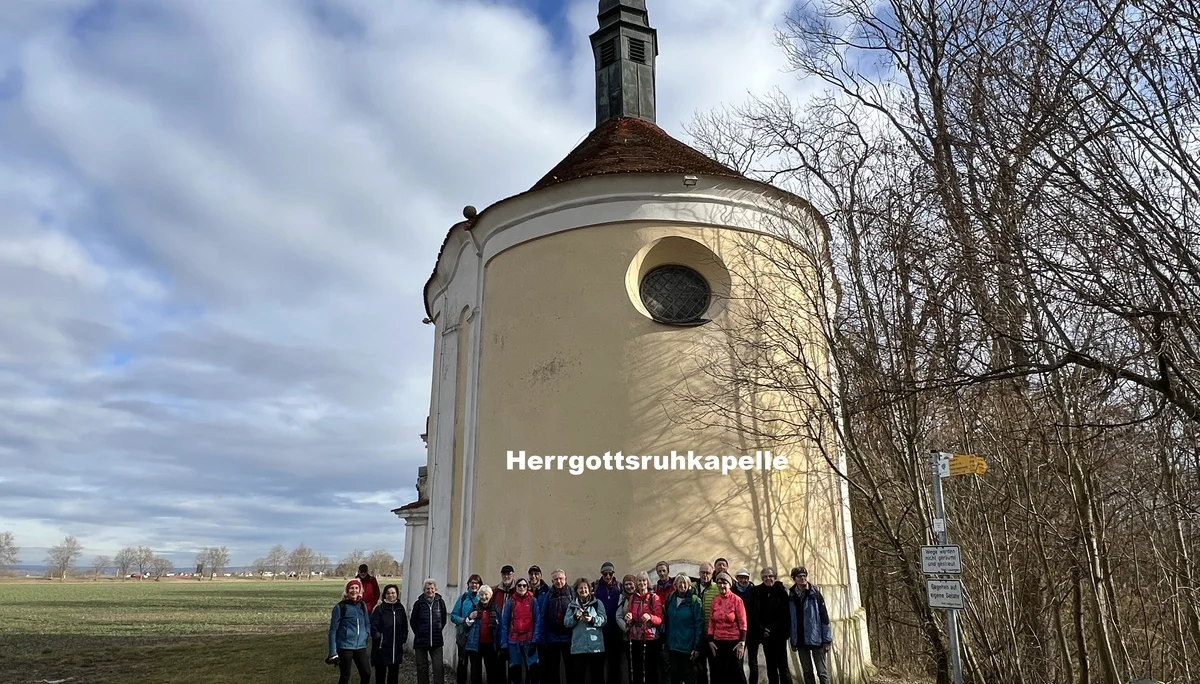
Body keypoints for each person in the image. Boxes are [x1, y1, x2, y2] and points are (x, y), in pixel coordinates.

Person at [788, 567, 832, 684]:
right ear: (794, 579)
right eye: (799, 576)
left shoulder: (815, 594)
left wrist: (827, 640)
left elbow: (825, 618)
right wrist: (793, 640)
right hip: (801, 640)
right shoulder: (791, 596)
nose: (803, 578)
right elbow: (791, 620)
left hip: (816, 638)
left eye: (804, 576)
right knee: (807, 671)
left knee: (822, 672)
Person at [619, 571, 663, 684]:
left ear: (647, 582)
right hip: (635, 637)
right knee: (636, 668)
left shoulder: (654, 598)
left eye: (644, 580)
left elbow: (659, 619)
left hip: (650, 638)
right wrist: (629, 618)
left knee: (650, 669)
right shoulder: (633, 598)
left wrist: (650, 617)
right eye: (639, 580)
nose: (642, 583)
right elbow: (630, 616)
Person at [328, 578, 372, 684]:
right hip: (345, 646)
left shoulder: (362, 606)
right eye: (351, 588)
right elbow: (333, 630)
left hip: (360, 646)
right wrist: (333, 652)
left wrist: (366, 634)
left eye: (357, 588)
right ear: (347, 590)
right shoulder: (340, 607)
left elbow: (367, 623)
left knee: (366, 673)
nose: (354, 590)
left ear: (360, 590)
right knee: (345, 675)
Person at [706, 572, 747, 684]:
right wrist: (710, 640)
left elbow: (743, 622)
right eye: (719, 583)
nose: (721, 586)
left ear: (729, 584)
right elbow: (711, 621)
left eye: (724, 583)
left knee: (737, 673)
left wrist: (742, 642)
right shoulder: (715, 600)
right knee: (720, 673)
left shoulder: (737, 600)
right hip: (718, 642)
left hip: (734, 642)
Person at [661, 573, 702, 684]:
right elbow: (666, 621)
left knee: (688, 676)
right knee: (674, 676)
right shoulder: (670, 598)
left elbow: (699, 624)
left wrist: (697, 646)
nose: (682, 585)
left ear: (689, 585)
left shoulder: (695, 601)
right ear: (675, 585)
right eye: (679, 583)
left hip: (687, 646)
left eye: (684, 582)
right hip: (672, 645)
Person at [564, 577, 607, 683]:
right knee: (579, 678)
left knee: (598, 678)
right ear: (577, 591)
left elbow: (604, 620)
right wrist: (575, 617)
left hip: (596, 647)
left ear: (589, 589)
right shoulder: (572, 605)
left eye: (585, 588)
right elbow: (566, 623)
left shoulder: (598, 603)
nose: (583, 590)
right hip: (579, 648)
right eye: (580, 588)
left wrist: (592, 619)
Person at [501, 576, 543, 683]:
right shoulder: (510, 602)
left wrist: (535, 640)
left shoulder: (533, 601)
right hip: (513, 641)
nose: (522, 587)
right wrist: (504, 645)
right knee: (515, 672)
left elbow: (537, 620)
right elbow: (504, 623)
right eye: (519, 585)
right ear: (516, 587)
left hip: (529, 641)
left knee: (534, 671)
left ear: (527, 587)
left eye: (524, 585)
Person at [755, 568, 791, 684]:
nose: (768, 578)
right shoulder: (758, 591)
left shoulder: (781, 592)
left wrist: (770, 629)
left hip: (779, 634)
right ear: (762, 578)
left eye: (770, 576)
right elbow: (755, 613)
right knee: (770, 666)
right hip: (765, 635)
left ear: (774, 577)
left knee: (783, 666)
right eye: (765, 576)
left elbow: (785, 614)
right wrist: (762, 629)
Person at [539, 569, 575, 684]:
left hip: (568, 638)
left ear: (565, 579)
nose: (558, 581)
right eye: (556, 579)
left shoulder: (572, 593)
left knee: (570, 669)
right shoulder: (549, 595)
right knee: (553, 670)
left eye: (561, 578)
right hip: (552, 638)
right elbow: (543, 615)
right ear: (552, 581)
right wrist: (543, 636)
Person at [592, 562, 625, 684]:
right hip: (599, 630)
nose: (607, 576)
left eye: (610, 573)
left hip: (615, 631)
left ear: (613, 574)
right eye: (605, 573)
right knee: (598, 663)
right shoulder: (595, 587)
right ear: (602, 574)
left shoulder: (619, 587)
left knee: (614, 663)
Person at [412, 578, 449, 684]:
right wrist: (419, 633)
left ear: (435, 589)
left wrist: (436, 631)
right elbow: (413, 621)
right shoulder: (418, 604)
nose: (430, 591)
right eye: (427, 588)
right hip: (421, 640)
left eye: (432, 588)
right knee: (422, 667)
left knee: (438, 667)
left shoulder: (440, 602)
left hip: (436, 640)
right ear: (424, 590)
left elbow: (443, 619)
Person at [464, 584, 504, 684]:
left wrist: (500, 644)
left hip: (491, 645)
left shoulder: (496, 609)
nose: (484, 597)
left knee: (492, 672)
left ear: (490, 595)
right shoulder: (474, 608)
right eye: (481, 595)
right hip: (476, 645)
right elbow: (465, 627)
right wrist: (470, 618)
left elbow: (501, 628)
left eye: (486, 594)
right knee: (475, 673)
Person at [372, 583, 410, 684]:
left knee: (393, 674)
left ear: (397, 594)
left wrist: (403, 638)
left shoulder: (400, 609)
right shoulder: (379, 609)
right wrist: (378, 636)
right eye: (388, 593)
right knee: (380, 674)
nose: (391, 595)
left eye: (393, 593)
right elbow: (373, 626)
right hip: (382, 647)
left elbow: (404, 625)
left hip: (395, 647)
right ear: (384, 595)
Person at [452, 575, 484, 684]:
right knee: (462, 664)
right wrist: (462, 620)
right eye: (472, 582)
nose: (474, 585)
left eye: (477, 583)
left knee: (476, 665)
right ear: (468, 584)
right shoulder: (463, 598)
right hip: (464, 636)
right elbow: (453, 615)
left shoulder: (483, 598)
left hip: (477, 638)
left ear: (480, 585)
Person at [732, 569, 756, 684]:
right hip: (738, 632)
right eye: (741, 577)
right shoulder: (732, 591)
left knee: (753, 662)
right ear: (737, 578)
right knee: (738, 661)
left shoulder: (754, 591)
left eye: (745, 578)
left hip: (752, 631)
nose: (743, 580)